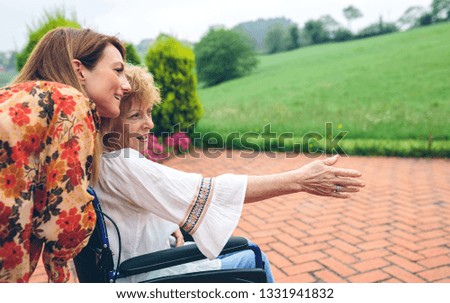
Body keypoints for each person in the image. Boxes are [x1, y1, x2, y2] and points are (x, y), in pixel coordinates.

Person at [95, 65, 365, 282]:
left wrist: (169, 226)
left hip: (136, 269)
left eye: (149, 112)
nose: (149, 123)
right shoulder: (123, 163)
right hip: (148, 278)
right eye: (135, 116)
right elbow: (212, 191)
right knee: (252, 255)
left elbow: (144, 205)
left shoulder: (99, 161)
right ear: (110, 119)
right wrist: (299, 179)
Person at [0, 28, 131, 283]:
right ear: (79, 69)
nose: (126, 85)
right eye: (118, 70)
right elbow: (64, 223)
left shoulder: (14, 96)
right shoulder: (70, 102)